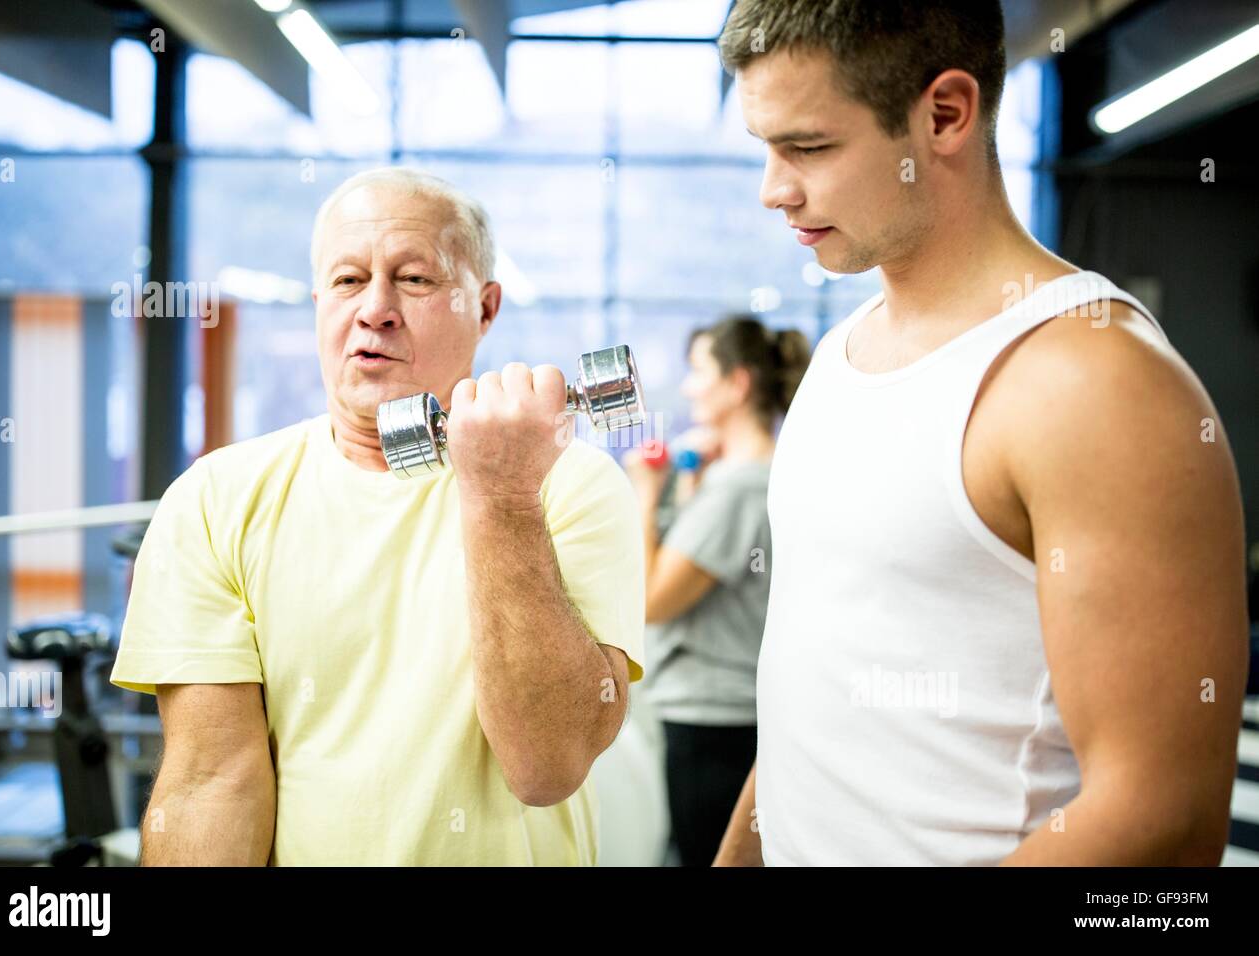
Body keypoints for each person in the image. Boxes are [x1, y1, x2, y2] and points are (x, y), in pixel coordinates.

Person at [714, 0, 1248, 866]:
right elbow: (812, 695)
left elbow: (1162, 822)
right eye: (765, 148)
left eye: (808, 147)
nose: (774, 189)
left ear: (944, 114)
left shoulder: (1094, 385)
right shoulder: (838, 356)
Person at [111, 167, 646, 865]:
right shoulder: (215, 498)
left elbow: (547, 765)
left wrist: (502, 492)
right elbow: (214, 782)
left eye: (415, 279)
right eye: (347, 281)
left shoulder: (570, 485)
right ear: (317, 304)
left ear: (485, 308)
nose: (375, 309)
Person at [624, 315, 809, 867]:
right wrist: (686, 485)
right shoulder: (744, 480)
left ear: (738, 383)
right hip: (724, 720)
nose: (687, 385)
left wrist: (644, 491)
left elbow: (650, 600)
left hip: (713, 727)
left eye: (699, 370)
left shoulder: (739, 491)